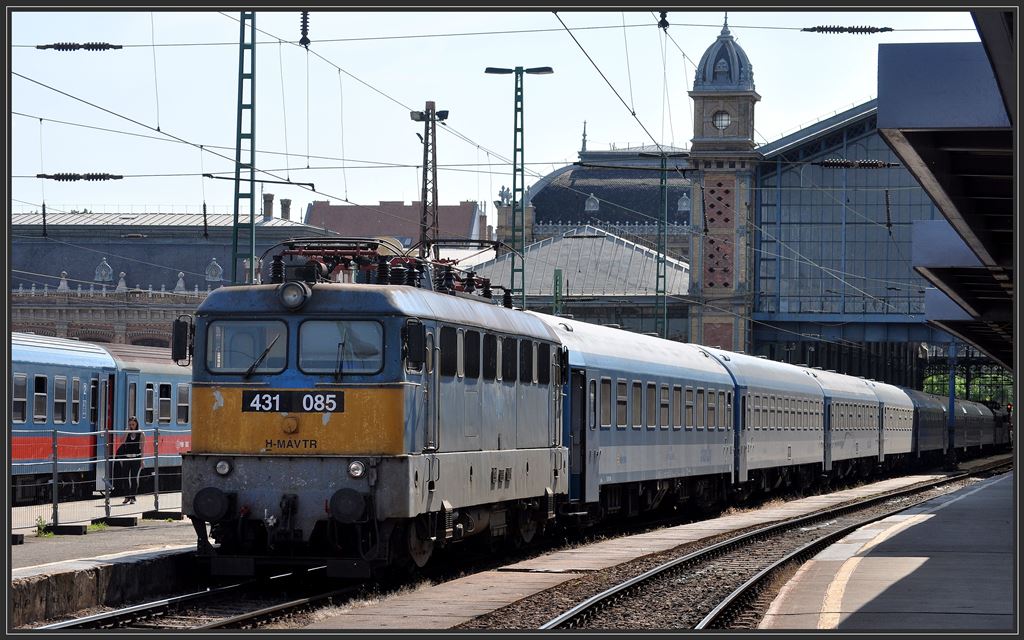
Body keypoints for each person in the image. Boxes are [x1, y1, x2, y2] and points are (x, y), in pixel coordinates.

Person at [116, 416, 144, 504]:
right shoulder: (127, 432)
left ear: (136, 424)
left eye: (133, 424)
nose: (132, 426)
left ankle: (133, 497)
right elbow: (122, 441)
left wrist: (142, 460)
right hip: (126, 457)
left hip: (136, 457)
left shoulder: (141, 433)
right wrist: (127, 432)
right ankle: (127, 496)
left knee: (133, 477)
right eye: (130, 424)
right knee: (125, 477)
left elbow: (142, 448)